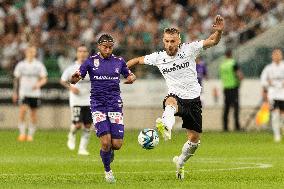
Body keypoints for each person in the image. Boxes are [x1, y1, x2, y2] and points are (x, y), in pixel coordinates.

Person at [127, 15, 224, 180]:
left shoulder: (190, 49)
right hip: (176, 97)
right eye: (167, 41)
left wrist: (219, 32)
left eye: (173, 41)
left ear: (179, 41)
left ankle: (180, 162)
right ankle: (166, 126)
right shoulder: (158, 57)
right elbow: (136, 60)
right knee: (170, 102)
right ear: (163, 41)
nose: (170, 45)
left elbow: (212, 41)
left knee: (194, 141)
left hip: (193, 100)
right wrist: (123, 71)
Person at [70, 34, 136, 183]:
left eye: (110, 47)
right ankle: (108, 171)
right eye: (105, 47)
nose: (107, 49)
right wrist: (74, 79)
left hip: (115, 104)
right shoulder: (90, 61)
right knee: (106, 142)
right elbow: (77, 76)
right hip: (98, 105)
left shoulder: (119, 61)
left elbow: (129, 74)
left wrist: (132, 78)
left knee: (117, 145)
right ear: (99, 46)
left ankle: (109, 152)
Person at [60, 45, 92, 155]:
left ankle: (82, 148)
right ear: (77, 53)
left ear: (87, 53)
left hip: (89, 100)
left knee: (88, 125)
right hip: (76, 100)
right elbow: (63, 80)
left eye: (84, 51)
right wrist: (71, 87)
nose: (82, 53)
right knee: (77, 124)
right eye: (80, 51)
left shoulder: (92, 68)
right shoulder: (71, 68)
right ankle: (72, 134)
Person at [12, 45, 48, 142]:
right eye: (29, 51)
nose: (31, 53)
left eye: (33, 51)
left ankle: (30, 135)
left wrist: (38, 84)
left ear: (35, 53)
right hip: (23, 93)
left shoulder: (39, 65)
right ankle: (22, 134)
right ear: (26, 52)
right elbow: (16, 79)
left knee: (33, 114)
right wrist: (15, 92)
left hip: (35, 93)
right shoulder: (21, 65)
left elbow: (44, 78)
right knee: (22, 111)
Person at [260, 48, 284, 142]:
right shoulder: (268, 68)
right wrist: (267, 84)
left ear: (281, 55)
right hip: (273, 94)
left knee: (282, 116)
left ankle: (281, 128)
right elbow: (263, 81)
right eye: (275, 54)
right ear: (272, 56)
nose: (277, 56)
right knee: (274, 115)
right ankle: (277, 135)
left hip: (283, 94)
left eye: (278, 54)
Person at [219, 49, 243, 132]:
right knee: (236, 108)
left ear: (225, 55)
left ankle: (225, 127)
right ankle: (237, 126)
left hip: (225, 88)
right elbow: (239, 75)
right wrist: (240, 81)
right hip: (233, 87)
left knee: (226, 108)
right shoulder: (233, 63)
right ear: (231, 54)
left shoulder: (222, 64)